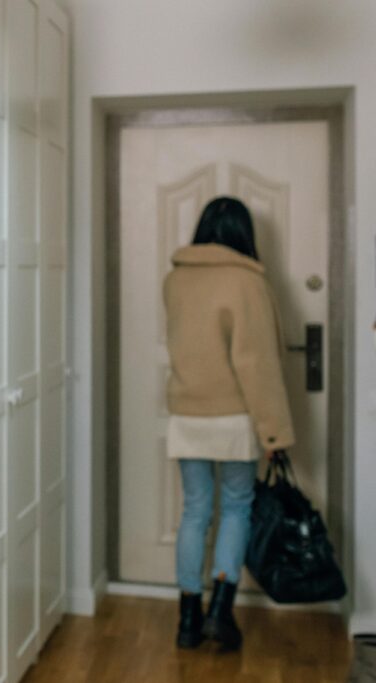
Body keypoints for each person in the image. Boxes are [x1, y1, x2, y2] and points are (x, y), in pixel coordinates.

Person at [163, 196, 295, 652]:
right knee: (236, 508)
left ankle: (186, 621)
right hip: (235, 417)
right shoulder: (247, 282)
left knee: (195, 512)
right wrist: (274, 432)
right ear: (243, 233)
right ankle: (220, 612)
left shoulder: (175, 280)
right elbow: (256, 365)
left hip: (186, 413)